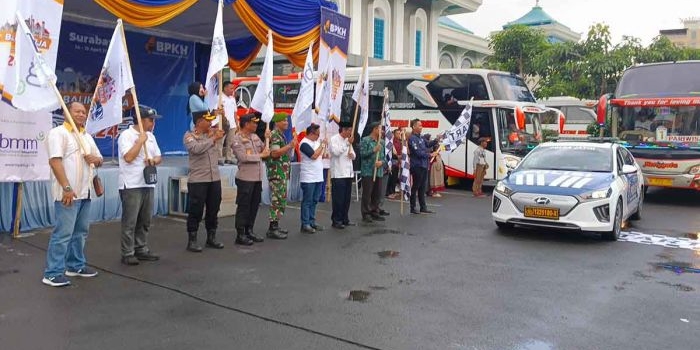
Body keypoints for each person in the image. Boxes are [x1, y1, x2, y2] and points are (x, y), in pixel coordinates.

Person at [42, 101, 103, 287]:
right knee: (63, 233)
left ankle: (75, 266)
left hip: (85, 193)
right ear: (66, 112)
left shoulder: (86, 135)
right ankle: (52, 273)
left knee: (80, 232)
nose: (81, 114)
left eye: (83, 112)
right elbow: (55, 162)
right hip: (67, 193)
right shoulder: (58, 133)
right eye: (77, 111)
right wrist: (67, 188)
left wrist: (96, 159)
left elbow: (99, 158)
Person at [117, 106, 163, 266]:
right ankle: (127, 252)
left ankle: (141, 248)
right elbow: (128, 157)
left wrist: (153, 161)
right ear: (141, 120)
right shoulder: (126, 135)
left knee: (145, 219)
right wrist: (139, 142)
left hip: (148, 181)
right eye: (151, 120)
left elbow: (158, 156)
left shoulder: (151, 136)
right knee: (130, 220)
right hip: (131, 183)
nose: (153, 123)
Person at [183, 110, 226, 252]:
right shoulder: (190, 136)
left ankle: (211, 237)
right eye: (208, 120)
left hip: (214, 178)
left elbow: (224, 126)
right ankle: (192, 240)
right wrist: (212, 139)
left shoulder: (213, 133)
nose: (211, 123)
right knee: (196, 210)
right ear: (199, 121)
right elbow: (196, 149)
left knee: (214, 208)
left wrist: (222, 115)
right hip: (198, 179)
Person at [231, 113, 270, 245]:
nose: (256, 125)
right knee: (244, 206)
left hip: (257, 178)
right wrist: (260, 155)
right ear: (246, 124)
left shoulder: (255, 137)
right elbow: (243, 157)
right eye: (253, 123)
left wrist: (266, 140)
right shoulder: (238, 139)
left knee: (254, 206)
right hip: (245, 178)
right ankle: (240, 233)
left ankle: (249, 230)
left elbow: (265, 151)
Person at [265, 113, 296, 239]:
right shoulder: (275, 135)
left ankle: (276, 225)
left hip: (281, 171)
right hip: (276, 172)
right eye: (283, 121)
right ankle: (272, 227)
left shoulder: (280, 135)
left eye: (286, 120)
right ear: (277, 122)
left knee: (281, 199)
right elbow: (275, 153)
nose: (286, 123)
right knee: (276, 200)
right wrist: (289, 146)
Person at [299, 123, 327, 233]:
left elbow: (320, 155)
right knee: (307, 201)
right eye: (317, 134)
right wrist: (322, 145)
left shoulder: (316, 142)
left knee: (315, 200)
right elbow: (314, 156)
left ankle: (312, 221)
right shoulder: (304, 143)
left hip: (318, 176)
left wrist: (323, 150)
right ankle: (305, 223)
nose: (318, 136)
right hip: (308, 177)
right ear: (311, 133)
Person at [408, 119, 439, 214]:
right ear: (414, 126)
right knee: (416, 187)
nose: (421, 127)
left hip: (424, 165)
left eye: (421, 125)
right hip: (417, 165)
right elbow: (417, 152)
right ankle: (413, 207)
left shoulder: (421, 137)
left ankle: (423, 207)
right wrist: (430, 155)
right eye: (419, 125)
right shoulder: (412, 138)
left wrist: (436, 140)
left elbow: (428, 144)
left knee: (422, 187)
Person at [329, 121, 356, 229]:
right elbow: (335, 152)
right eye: (349, 130)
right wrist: (346, 144)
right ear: (343, 130)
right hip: (338, 173)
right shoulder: (334, 139)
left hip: (348, 173)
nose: (350, 132)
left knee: (346, 198)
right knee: (338, 199)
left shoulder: (348, 140)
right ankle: (336, 220)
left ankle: (345, 218)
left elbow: (354, 155)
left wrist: (352, 154)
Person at [359, 122, 387, 223]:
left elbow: (384, 157)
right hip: (368, 171)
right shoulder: (365, 140)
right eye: (380, 129)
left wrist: (382, 162)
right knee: (367, 193)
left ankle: (375, 211)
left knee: (377, 193)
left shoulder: (382, 142)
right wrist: (373, 150)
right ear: (374, 129)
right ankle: (366, 213)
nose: (382, 131)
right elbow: (362, 154)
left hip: (378, 171)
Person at [221, 81, 238, 164]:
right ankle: (219, 158)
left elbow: (235, 112)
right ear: (225, 88)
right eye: (231, 88)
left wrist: (237, 124)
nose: (232, 90)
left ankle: (229, 158)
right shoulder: (219, 97)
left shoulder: (233, 99)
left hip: (232, 124)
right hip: (222, 124)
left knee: (230, 142)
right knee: (220, 142)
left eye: (233, 88)